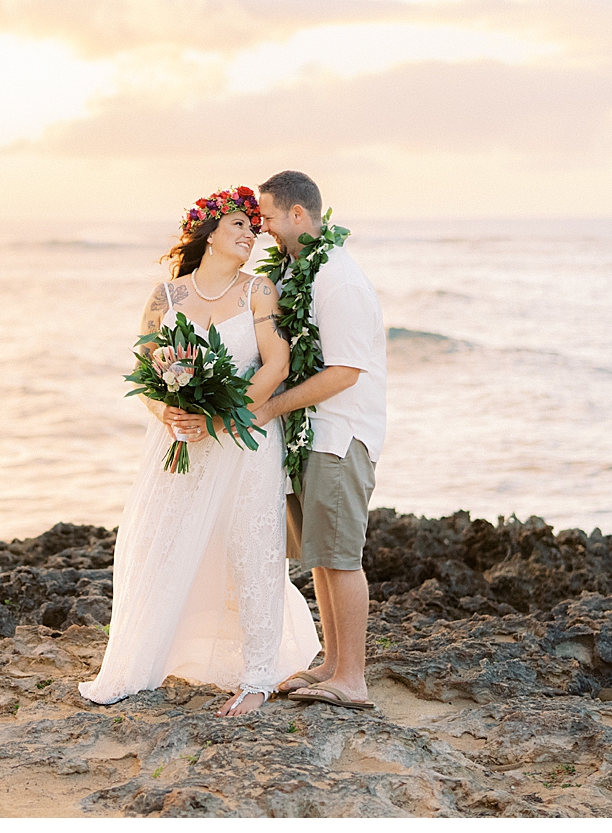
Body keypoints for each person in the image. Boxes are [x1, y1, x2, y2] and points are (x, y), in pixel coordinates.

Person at [78, 187, 320, 717]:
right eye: (238, 224)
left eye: (254, 228)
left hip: (243, 441)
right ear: (209, 232)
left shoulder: (258, 291)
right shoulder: (166, 297)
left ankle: (257, 676)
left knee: (252, 549)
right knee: (161, 539)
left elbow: (275, 366)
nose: (250, 234)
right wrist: (166, 413)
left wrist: (220, 419)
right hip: (178, 440)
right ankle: (143, 660)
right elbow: (144, 375)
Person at [253, 170, 387, 711]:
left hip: (339, 435)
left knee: (341, 555)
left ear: (298, 216)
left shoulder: (338, 279)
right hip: (310, 435)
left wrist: (273, 406)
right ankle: (331, 664)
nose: (262, 229)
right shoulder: (299, 272)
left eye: (266, 217)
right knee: (322, 557)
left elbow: (346, 371)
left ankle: (352, 677)